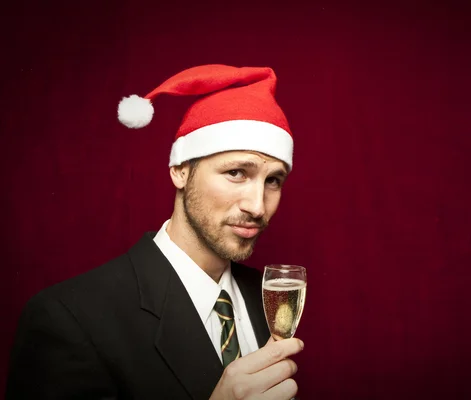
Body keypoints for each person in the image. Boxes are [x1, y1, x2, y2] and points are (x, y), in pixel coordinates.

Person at [6, 64, 304, 399]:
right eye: (236, 172)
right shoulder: (68, 318)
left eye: (273, 180)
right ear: (180, 171)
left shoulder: (266, 297)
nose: (258, 206)